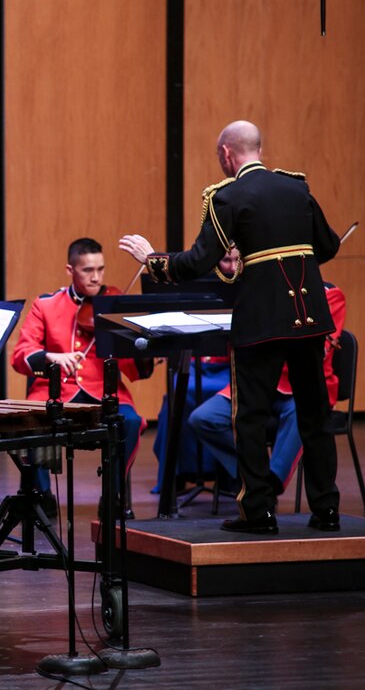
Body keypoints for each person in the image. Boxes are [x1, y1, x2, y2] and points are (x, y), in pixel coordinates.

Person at [120, 119, 342, 534]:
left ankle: (258, 513)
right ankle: (327, 509)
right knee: (315, 415)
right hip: (310, 319)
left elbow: (198, 261)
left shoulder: (228, 196)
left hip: (261, 322)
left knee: (251, 419)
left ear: (226, 154)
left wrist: (152, 260)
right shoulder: (298, 188)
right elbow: (327, 246)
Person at [10, 237, 152, 501]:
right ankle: (41, 497)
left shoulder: (116, 303)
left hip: (105, 391)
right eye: (88, 270)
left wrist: (143, 349)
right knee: (30, 422)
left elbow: (135, 371)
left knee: (130, 422)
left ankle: (113, 495)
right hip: (55, 393)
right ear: (70, 271)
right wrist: (52, 357)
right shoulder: (46, 305)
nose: (96, 278)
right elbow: (20, 355)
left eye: (100, 269)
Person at [189, 283, 346, 497]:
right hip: (261, 381)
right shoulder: (262, 289)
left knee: (302, 411)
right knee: (204, 418)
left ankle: (272, 484)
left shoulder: (329, 295)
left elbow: (321, 350)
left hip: (303, 381)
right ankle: (255, 476)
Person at [148, 248, 241, 493]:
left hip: (232, 369)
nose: (231, 267)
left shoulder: (247, 286)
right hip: (199, 366)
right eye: (225, 260)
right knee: (178, 393)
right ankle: (177, 474)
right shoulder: (199, 285)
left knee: (216, 395)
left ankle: (232, 476)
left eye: (236, 260)